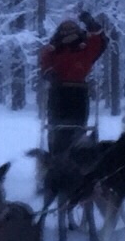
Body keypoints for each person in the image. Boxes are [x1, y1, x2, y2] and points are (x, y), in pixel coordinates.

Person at [39, 11, 109, 156]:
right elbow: (44, 64)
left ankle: (76, 158)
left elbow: (99, 40)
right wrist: (50, 74)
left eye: (71, 29)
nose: (68, 33)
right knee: (56, 128)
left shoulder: (85, 48)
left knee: (77, 128)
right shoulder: (52, 49)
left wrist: (90, 23)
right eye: (65, 30)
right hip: (58, 91)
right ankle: (55, 159)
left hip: (78, 91)